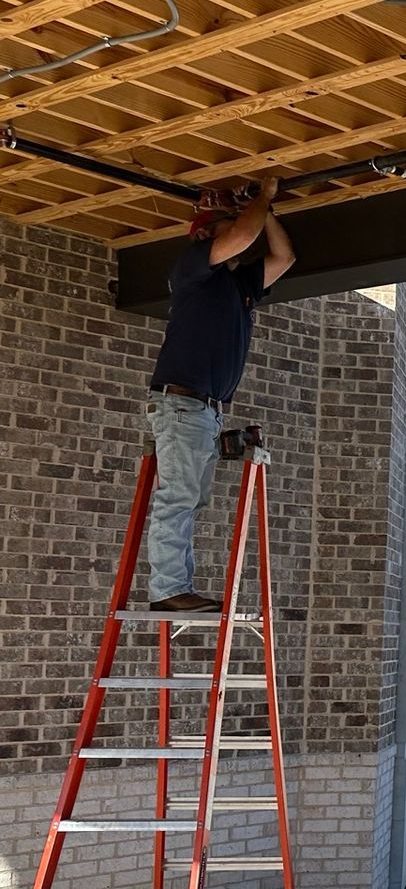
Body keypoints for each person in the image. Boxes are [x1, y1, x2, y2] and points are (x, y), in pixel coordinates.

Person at [146, 178, 295, 612]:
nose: (237, 235)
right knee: (179, 498)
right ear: (203, 234)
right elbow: (245, 235)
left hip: (201, 410)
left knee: (190, 499)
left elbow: (284, 256)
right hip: (184, 404)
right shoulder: (193, 270)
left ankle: (173, 587)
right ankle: (169, 590)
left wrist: (264, 210)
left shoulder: (240, 285)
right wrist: (262, 197)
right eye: (225, 226)